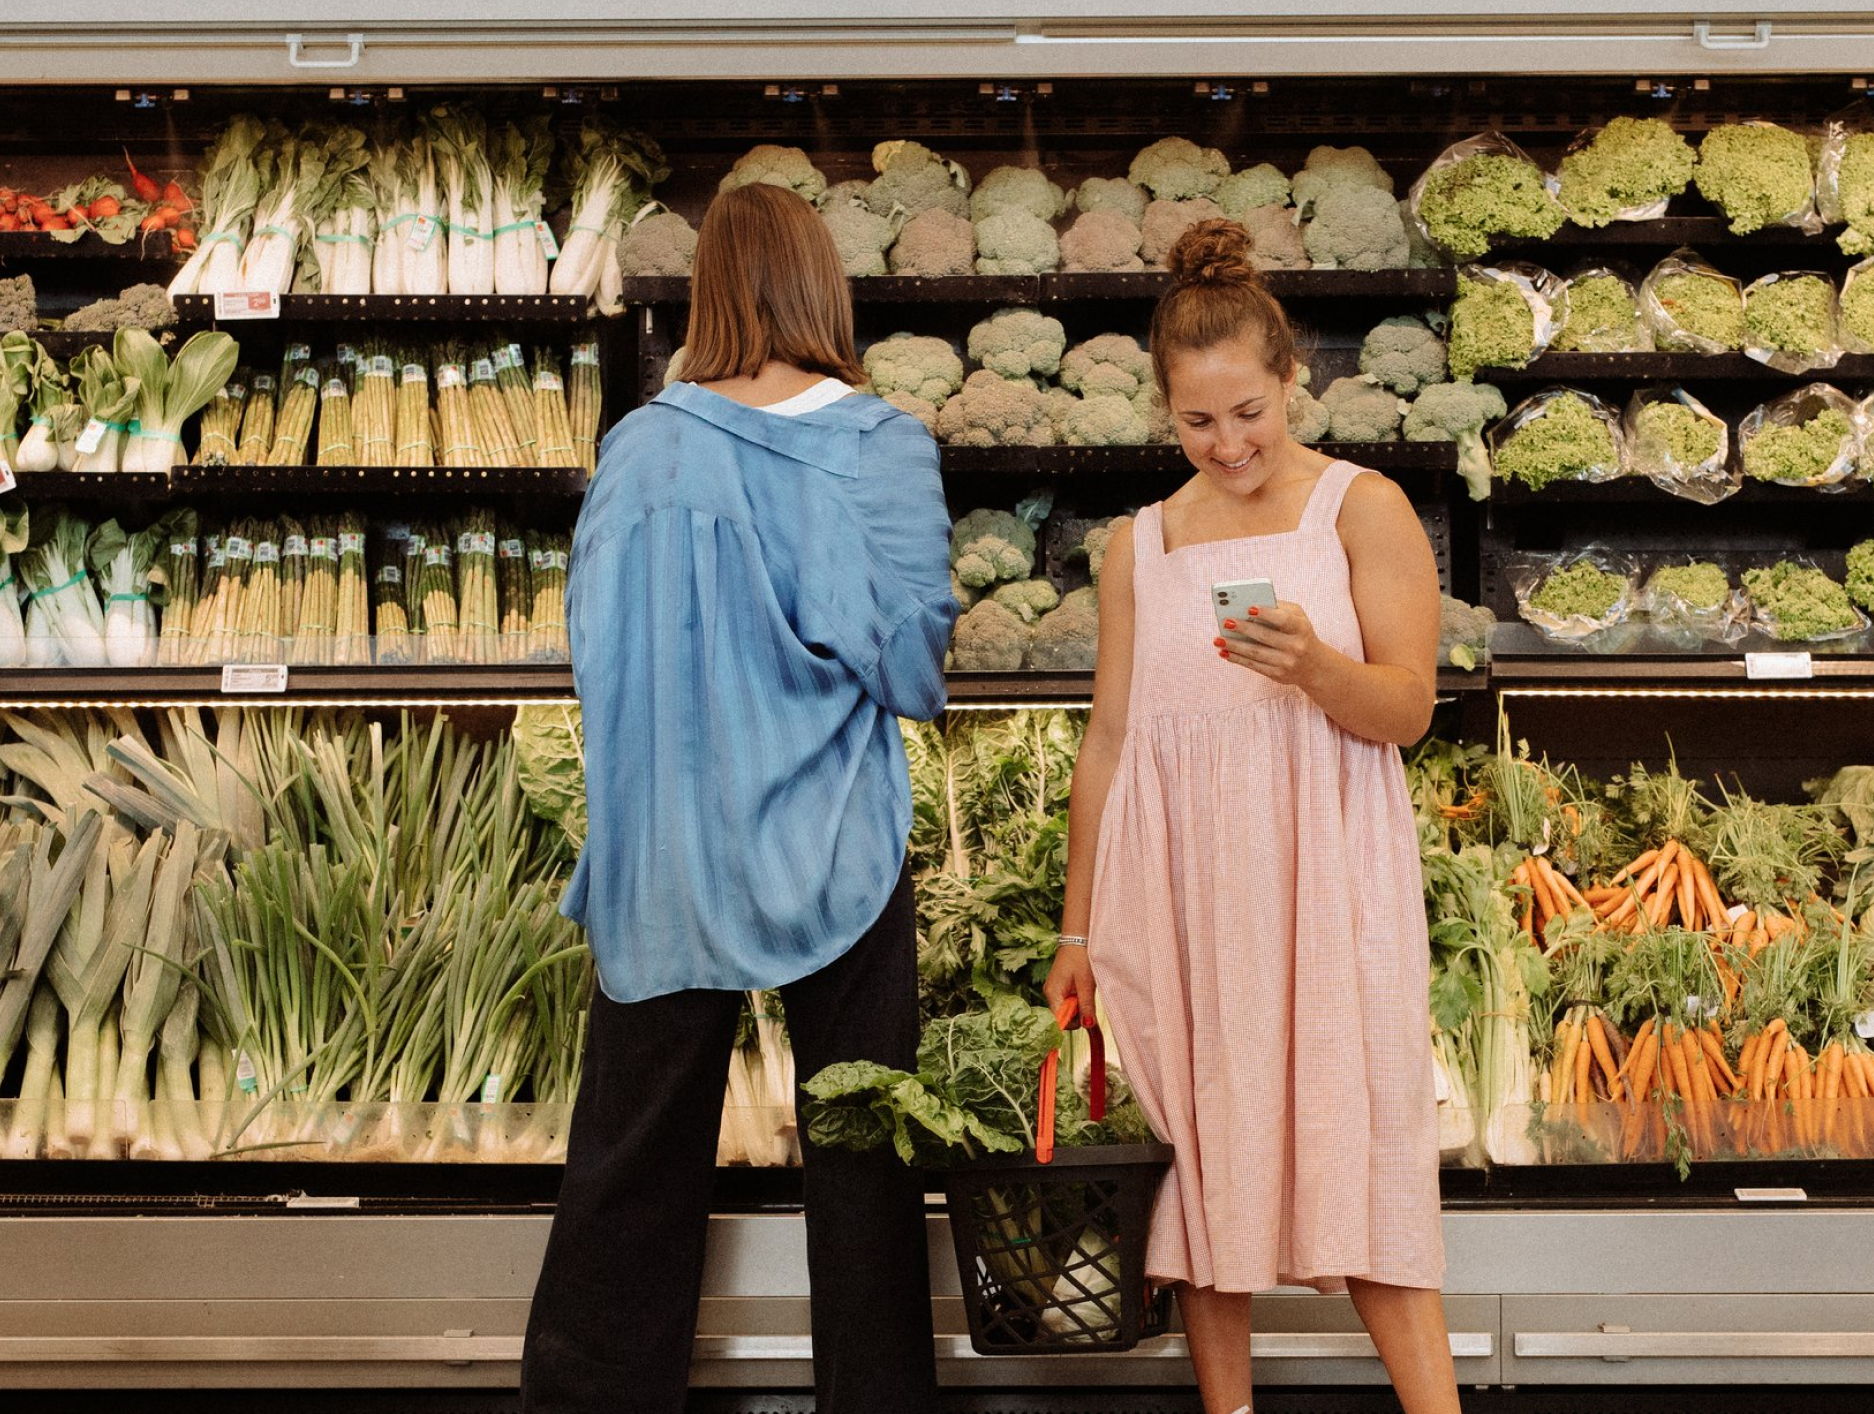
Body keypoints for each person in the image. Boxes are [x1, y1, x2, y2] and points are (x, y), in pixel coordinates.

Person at [523, 181, 960, 1414]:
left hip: (665, 857)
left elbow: (595, 648)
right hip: (833, 847)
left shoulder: (641, 444)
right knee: (861, 1166)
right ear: (825, 281)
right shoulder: (880, 443)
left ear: (707, 291)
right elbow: (910, 670)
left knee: (629, 1166)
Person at [1046, 219, 1461, 1414]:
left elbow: (1406, 710)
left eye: (1248, 413)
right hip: (1176, 894)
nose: (1226, 443)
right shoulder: (1139, 547)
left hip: (1325, 879)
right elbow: (1111, 740)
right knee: (1199, 1171)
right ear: (1164, 411)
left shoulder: (1359, 507)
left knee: (1364, 1146)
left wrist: (1315, 667)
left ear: (1293, 381)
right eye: (1196, 420)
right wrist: (1077, 937)